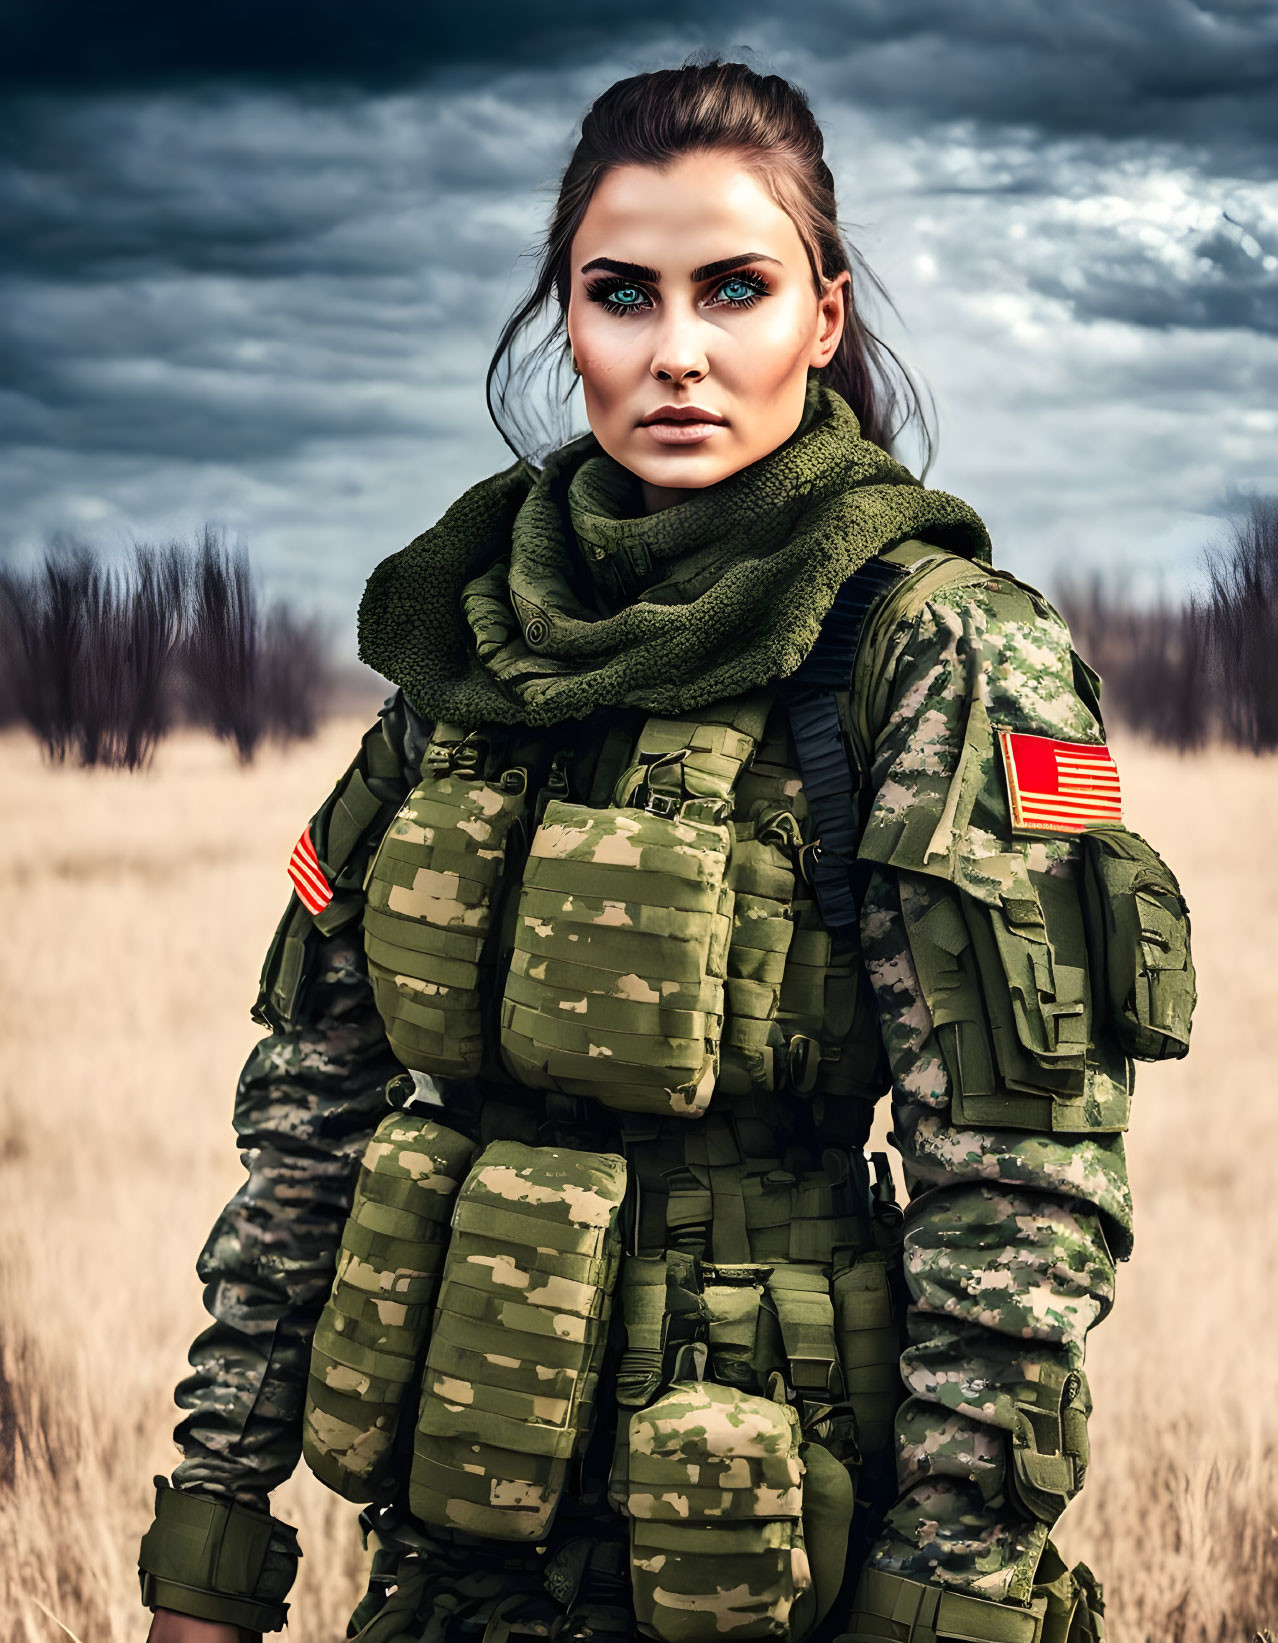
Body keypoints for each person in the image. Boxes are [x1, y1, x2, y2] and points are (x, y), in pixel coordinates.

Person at [137, 59, 1194, 1643]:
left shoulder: (943, 652)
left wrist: (950, 1586)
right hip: (455, 1535)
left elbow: (1026, 1174)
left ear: (821, 320)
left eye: (736, 290)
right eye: (621, 294)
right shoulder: (479, 639)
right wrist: (214, 1524)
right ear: (563, 320)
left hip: (775, 1538)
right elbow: (311, 1112)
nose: (676, 354)